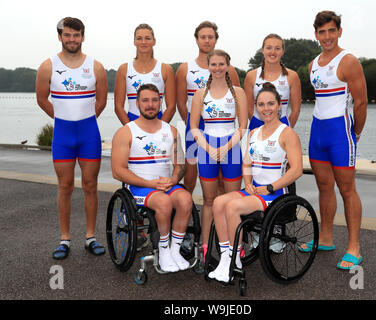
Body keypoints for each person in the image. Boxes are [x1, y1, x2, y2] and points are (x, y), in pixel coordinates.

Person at [208, 82, 303, 283]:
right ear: (256, 108)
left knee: (232, 207)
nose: (266, 108)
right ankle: (226, 258)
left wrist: (270, 187)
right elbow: (247, 163)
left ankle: (236, 259)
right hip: (254, 190)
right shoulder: (253, 133)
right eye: (261, 104)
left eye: (270, 104)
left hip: (275, 194)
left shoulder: (287, 133)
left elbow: (296, 170)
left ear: (279, 105)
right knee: (218, 202)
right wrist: (248, 183)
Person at [298, 11, 368, 270]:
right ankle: (325, 238)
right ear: (316, 34)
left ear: (339, 31)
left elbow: (360, 103)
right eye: (321, 32)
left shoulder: (348, 61)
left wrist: (355, 133)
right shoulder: (313, 64)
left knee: (347, 190)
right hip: (318, 133)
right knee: (324, 187)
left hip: (340, 132)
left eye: (331, 31)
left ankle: (354, 247)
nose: (326, 36)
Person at [36, 17, 107, 259]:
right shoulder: (48, 66)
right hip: (63, 135)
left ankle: (90, 237)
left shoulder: (95, 66)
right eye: (67, 35)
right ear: (60, 37)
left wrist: (85, 118)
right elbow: (42, 99)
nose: (72, 39)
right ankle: (64, 239)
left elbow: (101, 100)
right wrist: (62, 118)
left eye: (76, 35)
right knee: (65, 187)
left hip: (89, 134)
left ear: (83, 37)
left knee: (90, 186)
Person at [111, 83, 192, 272]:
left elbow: (180, 164)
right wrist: (149, 183)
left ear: (160, 102)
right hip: (139, 187)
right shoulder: (126, 132)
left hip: (165, 184)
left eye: (155, 100)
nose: (150, 105)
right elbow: (117, 171)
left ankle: (175, 250)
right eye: (145, 100)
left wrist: (173, 179)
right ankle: (163, 251)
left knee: (186, 200)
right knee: (163, 203)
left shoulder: (171, 130)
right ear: (137, 103)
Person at [189, 49, 248, 259]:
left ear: (228, 66)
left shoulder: (238, 93)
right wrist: (208, 148)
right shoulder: (199, 94)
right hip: (207, 149)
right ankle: (205, 248)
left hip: (231, 149)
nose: (217, 68)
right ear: (208, 66)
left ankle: (235, 249)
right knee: (208, 200)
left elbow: (243, 126)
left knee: (232, 203)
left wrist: (225, 147)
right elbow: (194, 127)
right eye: (213, 64)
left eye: (221, 64)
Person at [176, 21, 241, 194]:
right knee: (190, 174)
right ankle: (188, 214)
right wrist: (191, 123)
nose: (207, 41)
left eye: (210, 37)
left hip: (221, 127)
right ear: (196, 40)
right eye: (203, 37)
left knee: (220, 179)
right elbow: (181, 103)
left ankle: (219, 216)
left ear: (216, 40)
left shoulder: (229, 70)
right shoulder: (185, 69)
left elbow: (236, 103)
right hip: (195, 125)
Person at [114, 24, 176, 124]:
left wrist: (159, 129)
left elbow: (172, 107)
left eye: (147, 38)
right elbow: (118, 107)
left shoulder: (166, 69)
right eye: (139, 38)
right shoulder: (124, 69)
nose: (143, 42)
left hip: (158, 121)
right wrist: (131, 130)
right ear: (134, 42)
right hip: (132, 121)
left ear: (154, 41)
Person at [244, 34, 301, 131]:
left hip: (282, 124)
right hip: (256, 125)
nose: (273, 52)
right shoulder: (251, 76)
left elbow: (295, 111)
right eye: (269, 48)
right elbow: (248, 109)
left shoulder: (292, 76)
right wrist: (261, 128)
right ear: (263, 50)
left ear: (282, 51)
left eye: (277, 48)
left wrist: (286, 129)